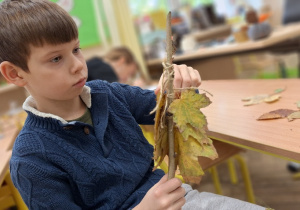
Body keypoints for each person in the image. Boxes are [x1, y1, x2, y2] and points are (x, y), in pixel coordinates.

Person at [0, 0, 265, 209]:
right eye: (56, 59)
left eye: (77, 49)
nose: (78, 65)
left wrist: (178, 84)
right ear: (15, 74)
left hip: (181, 202)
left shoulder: (107, 94)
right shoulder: (31, 159)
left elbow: (165, 108)